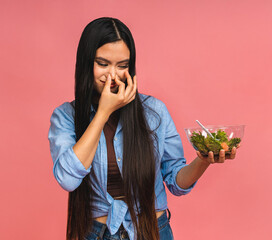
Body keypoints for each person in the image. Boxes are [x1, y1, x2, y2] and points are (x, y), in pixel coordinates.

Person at [48, 17, 239, 240]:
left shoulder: (154, 112)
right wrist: (102, 113)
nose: (113, 75)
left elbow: (177, 182)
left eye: (122, 66)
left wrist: (204, 159)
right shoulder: (65, 117)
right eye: (103, 64)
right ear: (85, 63)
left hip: (152, 230)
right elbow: (68, 179)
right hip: (97, 233)